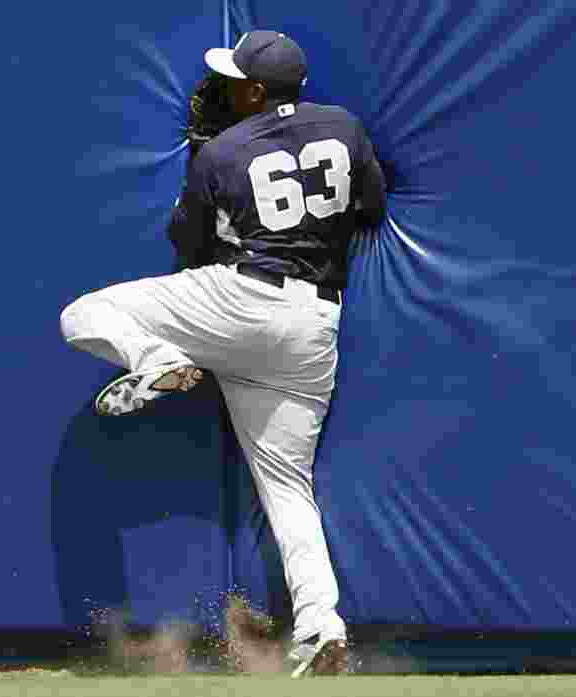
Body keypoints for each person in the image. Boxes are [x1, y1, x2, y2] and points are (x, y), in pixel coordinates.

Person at [59, 30, 387, 677]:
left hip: (241, 300)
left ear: (258, 90)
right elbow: (371, 205)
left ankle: (153, 357)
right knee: (290, 488)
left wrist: (207, 159)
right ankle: (322, 625)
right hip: (315, 321)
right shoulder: (345, 127)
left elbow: (188, 240)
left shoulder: (226, 149)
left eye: (237, 79)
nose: (228, 87)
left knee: (86, 314)